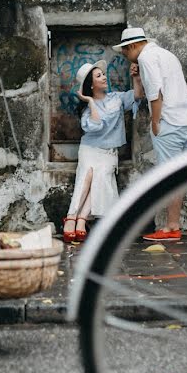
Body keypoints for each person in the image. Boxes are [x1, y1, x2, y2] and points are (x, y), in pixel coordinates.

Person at [113, 27, 187, 241]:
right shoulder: (166, 55)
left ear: (132, 46)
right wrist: (139, 77)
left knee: (171, 175)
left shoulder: (146, 58)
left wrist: (155, 121)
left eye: (124, 51)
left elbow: (156, 93)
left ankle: (171, 227)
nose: (124, 56)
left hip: (168, 123)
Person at [63, 60, 144, 242]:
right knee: (87, 177)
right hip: (90, 149)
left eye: (103, 74)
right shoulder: (86, 110)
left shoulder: (117, 98)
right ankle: (72, 217)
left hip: (108, 153)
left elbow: (138, 95)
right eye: (99, 76)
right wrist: (91, 102)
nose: (105, 77)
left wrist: (136, 78)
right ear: (91, 85)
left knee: (99, 178)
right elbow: (96, 125)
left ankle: (80, 219)